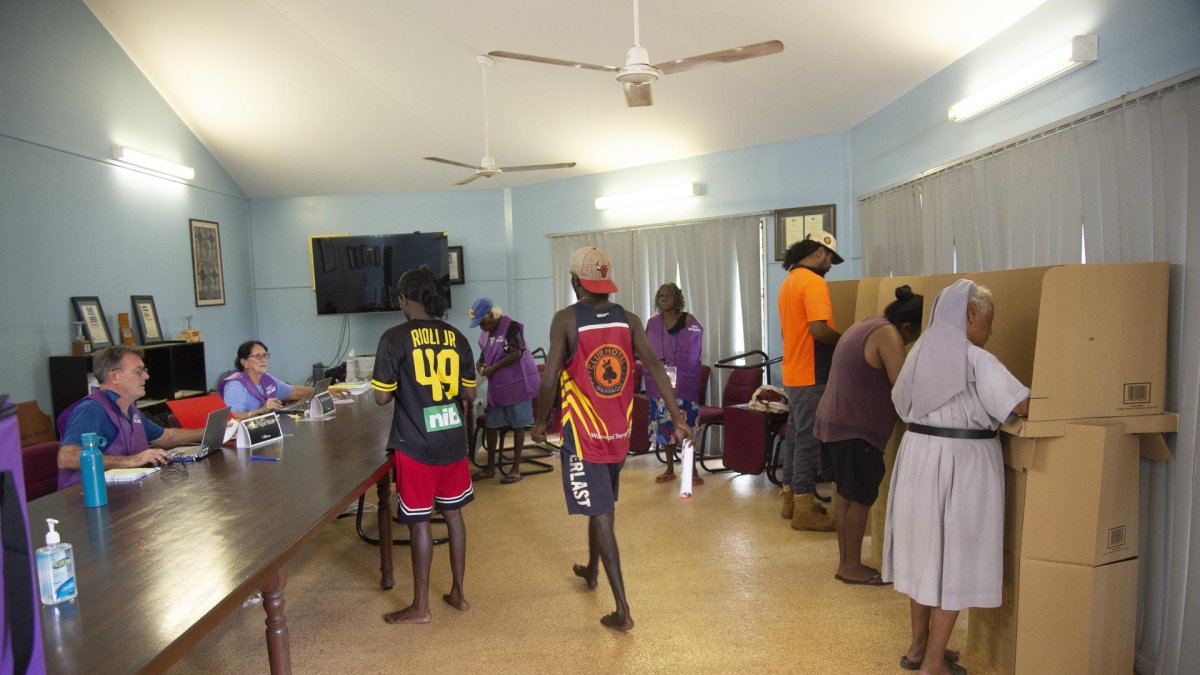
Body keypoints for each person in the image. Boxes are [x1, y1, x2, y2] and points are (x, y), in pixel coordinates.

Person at [531, 246, 692, 632]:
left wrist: (540, 424)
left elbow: (550, 378)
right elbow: (654, 365)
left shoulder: (566, 320)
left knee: (601, 512)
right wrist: (678, 416)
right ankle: (590, 568)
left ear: (575, 282)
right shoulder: (629, 319)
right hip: (619, 433)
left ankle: (622, 610)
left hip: (584, 436)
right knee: (600, 504)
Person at [883, 279, 1030, 675]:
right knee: (955, 557)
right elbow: (1019, 403)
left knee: (925, 554)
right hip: (962, 461)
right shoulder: (976, 359)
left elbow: (900, 401)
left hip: (917, 458)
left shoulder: (917, 356)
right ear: (970, 314)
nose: (992, 329)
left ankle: (917, 649)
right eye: (990, 319)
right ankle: (934, 663)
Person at [371, 266, 477, 625]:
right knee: (454, 515)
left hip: (415, 444)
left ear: (403, 299)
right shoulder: (457, 337)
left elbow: (381, 400)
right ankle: (459, 594)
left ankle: (420, 606)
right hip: (451, 440)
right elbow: (470, 392)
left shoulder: (393, 337)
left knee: (419, 522)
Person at [814, 285, 923, 585]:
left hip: (833, 423)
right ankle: (851, 567)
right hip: (855, 429)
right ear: (906, 326)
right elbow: (902, 387)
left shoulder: (864, 323)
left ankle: (845, 562)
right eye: (914, 336)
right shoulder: (889, 335)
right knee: (859, 498)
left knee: (847, 497)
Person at [57, 346, 203, 488]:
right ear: (114, 376)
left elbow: (165, 437)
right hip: (87, 498)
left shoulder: (130, 409)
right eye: (138, 371)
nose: (146, 376)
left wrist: (205, 433)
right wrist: (130, 461)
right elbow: (66, 458)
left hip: (126, 493)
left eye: (144, 370)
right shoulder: (91, 409)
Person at [776, 230, 842, 531]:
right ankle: (804, 509)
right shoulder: (814, 282)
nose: (830, 265)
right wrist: (846, 342)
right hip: (812, 372)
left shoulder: (789, 281)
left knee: (795, 436)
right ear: (819, 252)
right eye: (830, 258)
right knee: (808, 441)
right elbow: (819, 331)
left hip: (793, 371)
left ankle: (791, 498)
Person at [468, 297, 541, 484]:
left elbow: (516, 353)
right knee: (491, 425)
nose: (481, 328)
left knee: (518, 426)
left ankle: (515, 469)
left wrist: (494, 368)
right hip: (499, 388)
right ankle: (490, 468)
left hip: (518, 386)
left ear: (492, 315)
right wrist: (480, 361)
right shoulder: (487, 332)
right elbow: (486, 350)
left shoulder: (511, 326)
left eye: (482, 323)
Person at [644, 282, 705, 485]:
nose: (664, 298)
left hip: (684, 384)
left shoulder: (689, 320)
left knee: (687, 426)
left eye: (668, 295)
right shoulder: (652, 323)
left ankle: (692, 469)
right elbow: (646, 349)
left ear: (677, 298)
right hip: (661, 382)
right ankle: (669, 467)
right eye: (660, 295)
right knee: (664, 427)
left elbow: (695, 344)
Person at [217, 341, 315, 420]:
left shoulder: (266, 379)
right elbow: (230, 418)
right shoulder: (235, 386)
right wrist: (261, 410)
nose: (263, 360)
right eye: (258, 356)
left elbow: (294, 392)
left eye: (265, 355)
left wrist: (324, 391)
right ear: (244, 362)